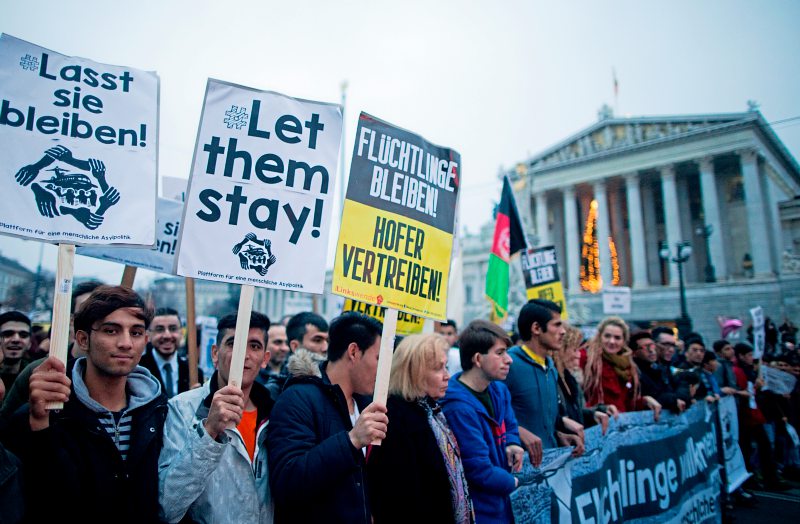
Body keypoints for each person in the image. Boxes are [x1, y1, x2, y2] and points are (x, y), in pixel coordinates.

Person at [2, 285, 167, 522]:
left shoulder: (159, 413)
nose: (126, 343)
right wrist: (39, 429)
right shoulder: (47, 410)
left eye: (136, 332)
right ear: (83, 339)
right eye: (111, 331)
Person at [267, 312, 386, 524]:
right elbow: (288, 481)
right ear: (353, 352)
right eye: (378, 358)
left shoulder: (368, 405)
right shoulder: (298, 398)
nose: (384, 370)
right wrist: (351, 441)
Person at [159, 311, 274, 523]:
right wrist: (209, 432)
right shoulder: (182, 409)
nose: (244, 354)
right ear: (214, 353)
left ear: (265, 359)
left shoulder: (275, 413)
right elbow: (168, 506)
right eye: (233, 344)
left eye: (255, 346)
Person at [367, 333, 474, 524]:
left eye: (446, 366)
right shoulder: (395, 418)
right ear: (414, 372)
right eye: (438, 368)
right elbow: (399, 497)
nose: (447, 375)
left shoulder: (431, 410)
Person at [440, 319, 524, 524]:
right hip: (481, 510)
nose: (509, 359)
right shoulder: (458, 408)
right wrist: (519, 483)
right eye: (500, 353)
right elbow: (478, 470)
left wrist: (513, 442)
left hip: (503, 502)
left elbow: (510, 423)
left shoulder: (498, 389)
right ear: (478, 359)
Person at [0, 280, 104, 423]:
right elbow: (6, 426)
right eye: (89, 311)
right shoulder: (39, 370)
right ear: (71, 320)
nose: (99, 320)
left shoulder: (124, 376)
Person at [504, 299, 583, 463]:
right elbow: (490, 417)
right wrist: (517, 432)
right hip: (521, 473)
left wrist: (559, 435)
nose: (563, 332)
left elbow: (546, 419)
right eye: (557, 325)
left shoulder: (551, 366)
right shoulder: (508, 365)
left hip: (551, 466)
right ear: (536, 328)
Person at [582, 317, 661, 418]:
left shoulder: (627, 365)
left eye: (617, 338)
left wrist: (645, 401)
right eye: (607, 336)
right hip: (595, 426)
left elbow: (628, 404)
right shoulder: (586, 359)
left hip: (619, 426)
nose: (612, 341)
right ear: (599, 337)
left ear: (624, 341)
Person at [553, 325, 614, 434]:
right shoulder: (551, 379)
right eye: (575, 349)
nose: (578, 355)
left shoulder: (569, 379)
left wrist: (594, 413)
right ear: (560, 350)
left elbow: (575, 413)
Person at [140, 307, 202, 398]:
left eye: (173, 329)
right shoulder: (139, 371)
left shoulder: (194, 372)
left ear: (181, 332)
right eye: (160, 329)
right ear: (148, 334)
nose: (167, 335)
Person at [0, 311, 33, 392]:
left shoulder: (36, 375)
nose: (16, 339)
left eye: (23, 335)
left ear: (29, 343)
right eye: (8, 334)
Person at [256, 322, 290, 388]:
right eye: (278, 342)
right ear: (264, 344)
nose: (285, 348)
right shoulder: (253, 377)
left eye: (286, 343)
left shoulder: (293, 375)